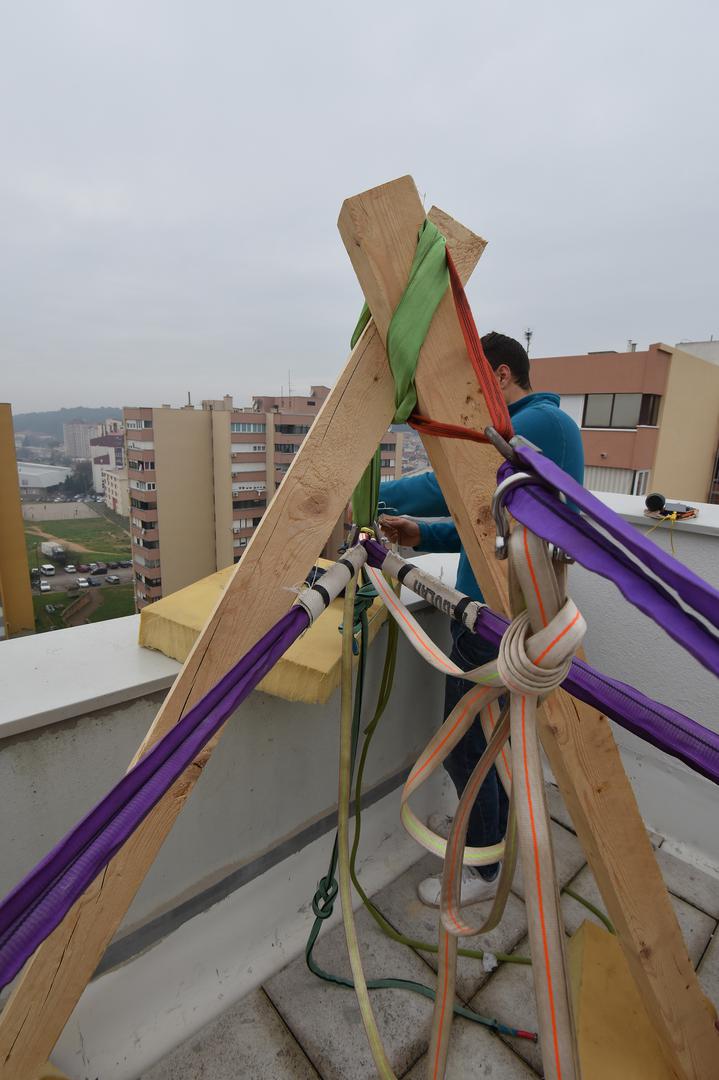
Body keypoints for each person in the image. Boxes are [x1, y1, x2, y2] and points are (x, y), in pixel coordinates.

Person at [378, 332, 584, 908]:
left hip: (498, 626)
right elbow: (489, 525)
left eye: (469, 386)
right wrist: (423, 533)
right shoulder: (540, 428)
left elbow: (448, 481)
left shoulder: (538, 424)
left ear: (496, 376)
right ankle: (494, 839)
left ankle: (483, 865)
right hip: (495, 617)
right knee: (486, 743)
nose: (462, 404)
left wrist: (365, 493)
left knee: (465, 744)